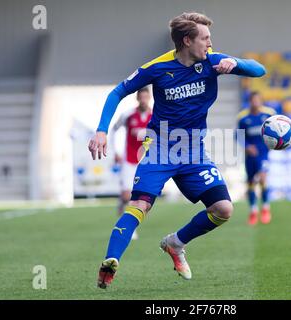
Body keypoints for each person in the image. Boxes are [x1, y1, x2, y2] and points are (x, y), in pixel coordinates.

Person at [88, 12, 266, 289]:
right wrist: (101, 130)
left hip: (193, 150)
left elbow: (259, 70)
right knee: (140, 205)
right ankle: (111, 262)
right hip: (160, 149)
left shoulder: (214, 61)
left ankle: (175, 243)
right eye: (205, 38)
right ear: (187, 41)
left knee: (223, 209)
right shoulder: (157, 68)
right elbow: (117, 93)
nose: (210, 43)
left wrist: (237, 64)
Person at [110, 87, 152, 240]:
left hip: (146, 162)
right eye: (141, 97)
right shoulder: (128, 115)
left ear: (149, 98)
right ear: (137, 98)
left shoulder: (155, 115)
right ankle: (126, 227)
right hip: (129, 160)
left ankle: (129, 224)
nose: (143, 100)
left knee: (143, 199)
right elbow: (114, 130)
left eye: (146, 97)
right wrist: (115, 152)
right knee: (127, 196)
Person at [237, 91, 276, 225]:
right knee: (251, 183)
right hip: (250, 155)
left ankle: (265, 208)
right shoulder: (243, 118)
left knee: (263, 177)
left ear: (261, 101)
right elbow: (239, 136)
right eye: (253, 100)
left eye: (258, 100)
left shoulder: (269, 114)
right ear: (250, 102)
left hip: (264, 153)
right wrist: (247, 146)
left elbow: (277, 130)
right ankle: (253, 210)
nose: (255, 103)